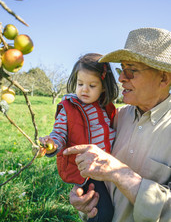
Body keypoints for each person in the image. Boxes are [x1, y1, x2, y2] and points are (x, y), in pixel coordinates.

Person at [64, 27, 171, 222]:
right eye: (122, 69)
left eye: (131, 70)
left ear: (163, 78)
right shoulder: (115, 118)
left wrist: (120, 173)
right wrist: (85, 201)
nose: (121, 78)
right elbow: (98, 181)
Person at [39, 53, 119, 222]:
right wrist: (52, 144)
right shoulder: (69, 108)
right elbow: (59, 133)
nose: (84, 89)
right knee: (102, 213)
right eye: (80, 83)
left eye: (92, 85)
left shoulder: (106, 108)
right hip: (88, 171)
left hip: (109, 167)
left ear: (103, 87)